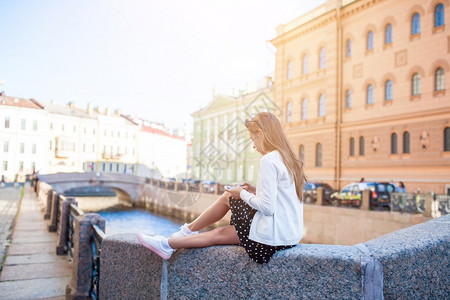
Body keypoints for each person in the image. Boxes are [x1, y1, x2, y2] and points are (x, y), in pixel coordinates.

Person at [137, 112, 306, 264]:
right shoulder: (289, 158)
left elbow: (268, 208)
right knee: (225, 213)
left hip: (270, 241)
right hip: (288, 236)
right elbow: (283, 198)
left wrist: (243, 193)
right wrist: (255, 190)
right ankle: (183, 234)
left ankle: (168, 243)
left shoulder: (269, 160)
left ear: (261, 134)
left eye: (252, 139)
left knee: (221, 228)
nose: (253, 146)